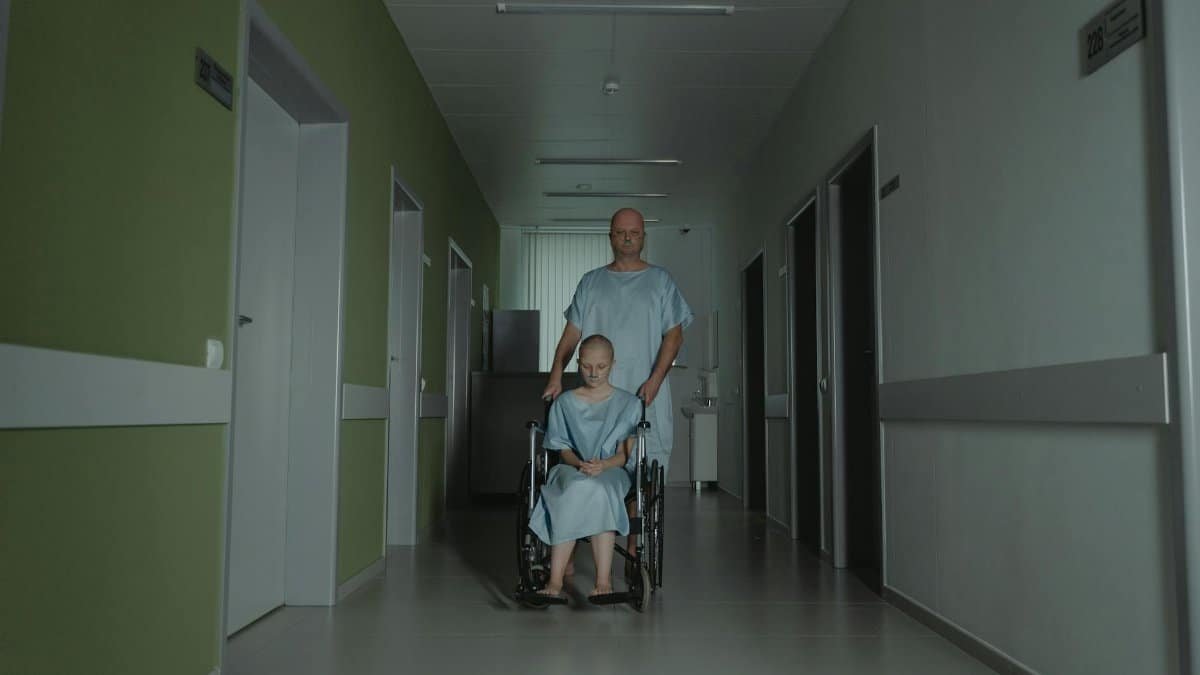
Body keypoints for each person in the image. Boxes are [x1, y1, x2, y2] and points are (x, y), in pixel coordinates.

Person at [542, 207, 692, 482]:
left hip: (645, 394)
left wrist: (656, 380)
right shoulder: (591, 282)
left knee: (643, 474)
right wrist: (556, 375)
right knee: (593, 471)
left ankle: (635, 526)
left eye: (634, 233)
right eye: (621, 233)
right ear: (610, 237)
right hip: (596, 397)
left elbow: (675, 336)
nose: (627, 238)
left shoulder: (660, 282)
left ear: (643, 237)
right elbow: (571, 335)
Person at [528, 335, 643, 601]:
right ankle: (555, 581)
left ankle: (603, 580)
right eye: (587, 366)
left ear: (613, 364)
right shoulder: (565, 403)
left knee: (601, 490)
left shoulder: (629, 403)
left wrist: (603, 465)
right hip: (572, 468)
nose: (593, 373)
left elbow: (624, 455)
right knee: (574, 488)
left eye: (601, 367)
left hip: (612, 470)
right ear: (578, 363)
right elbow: (562, 448)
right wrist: (579, 464)